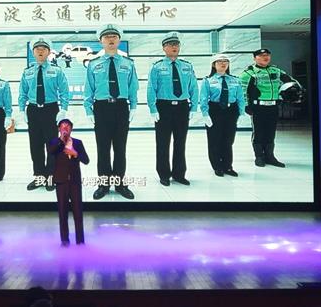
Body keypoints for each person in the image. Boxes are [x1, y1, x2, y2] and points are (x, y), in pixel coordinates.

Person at [84, 24, 138, 200]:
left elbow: (133, 87)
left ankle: (120, 183)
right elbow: (89, 88)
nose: (111, 39)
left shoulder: (128, 63)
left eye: (114, 36)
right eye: (107, 37)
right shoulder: (93, 64)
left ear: (119, 40)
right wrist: (88, 110)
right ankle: (104, 184)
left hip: (121, 108)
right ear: (101, 41)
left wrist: (133, 106)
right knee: (103, 149)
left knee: (120, 149)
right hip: (101, 108)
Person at [146, 31, 199, 186]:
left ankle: (179, 174)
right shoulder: (157, 67)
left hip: (182, 107)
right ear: (164, 48)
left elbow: (194, 87)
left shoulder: (187, 66)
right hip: (163, 107)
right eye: (170, 44)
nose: (174, 47)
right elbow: (151, 88)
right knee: (163, 142)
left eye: (176, 44)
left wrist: (193, 107)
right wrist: (153, 109)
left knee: (180, 142)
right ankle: (164, 174)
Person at [19, 36, 70, 191]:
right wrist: (21, 109)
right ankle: (39, 177)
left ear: (49, 52)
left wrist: (63, 109)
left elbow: (64, 91)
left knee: (52, 145)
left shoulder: (56, 71)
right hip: (33, 110)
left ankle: (51, 177)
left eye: (44, 49)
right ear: (33, 52)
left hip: (50, 110)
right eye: (37, 49)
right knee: (35, 145)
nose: (40, 51)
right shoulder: (27, 72)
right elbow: (23, 93)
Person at [240, 48, 300, 168]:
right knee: (259, 132)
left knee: (270, 132)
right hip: (258, 107)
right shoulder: (249, 73)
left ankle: (270, 156)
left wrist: (296, 90)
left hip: (273, 106)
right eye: (262, 55)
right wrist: (246, 106)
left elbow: (291, 82)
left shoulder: (276, 71)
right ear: (255, 58)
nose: (265, 57)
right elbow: (242, 91)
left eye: (267, 55)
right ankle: (259, 156)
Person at [199, 54, 245, 177]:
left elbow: (240, 97)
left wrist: (241, 113)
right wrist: (205, 114)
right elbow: (203, 99)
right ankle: (217, 166)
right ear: (214, 65)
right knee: (215, 139)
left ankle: (228, 166)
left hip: (231, 111)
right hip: (215, 110)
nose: (223, 63)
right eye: (219, 61)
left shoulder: (235, 80)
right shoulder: (208, 80)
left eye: (226, 61)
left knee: (228, 140)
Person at [47, 119, 89, 246]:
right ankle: (64, 241)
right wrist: (61, 140)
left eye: (68, 126)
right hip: (61, 182)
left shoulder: (77, 142)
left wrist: (75, 153)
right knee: (62, 213)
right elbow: (51, 151)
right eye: (62, 126)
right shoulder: (54, 142)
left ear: (71, 129)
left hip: (75, 182)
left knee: (78, 213)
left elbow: (86, 160)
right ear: (59, 129)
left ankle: (80, 241)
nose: (65, 128)